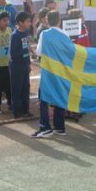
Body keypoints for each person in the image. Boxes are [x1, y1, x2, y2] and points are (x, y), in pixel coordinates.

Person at [32, 10, 67, 138]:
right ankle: (59, 127)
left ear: (47, 20)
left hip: (48, 71)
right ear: (59, 20)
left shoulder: (45, 34)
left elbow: (39, 52)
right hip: (61, 72)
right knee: (59, 97)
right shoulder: (65, 34)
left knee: (44, 99)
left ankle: (45, 127)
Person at [9, 11, 32, 118]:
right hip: (16, 66)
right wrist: (25, 50)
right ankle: (17, 111)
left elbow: (26, 50)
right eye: (27, 21)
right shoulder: (15, 36)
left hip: (24, 65)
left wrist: (29, 63)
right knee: (17, 89)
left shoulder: (26, 33)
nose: (30, 23)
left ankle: (25, 109)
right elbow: (13, 54)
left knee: (25, 87)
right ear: (20, 23)